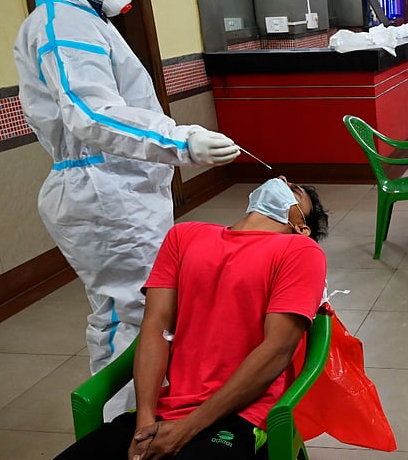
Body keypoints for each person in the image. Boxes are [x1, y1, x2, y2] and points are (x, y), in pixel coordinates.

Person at [6, 0, 242, 416]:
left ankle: (149, 411)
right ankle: (125, 426)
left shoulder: (83, 18)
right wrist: (182, 140)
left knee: (147, 310)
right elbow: (91, 114)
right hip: (103, 194)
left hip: (120, 191)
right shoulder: (63, 23)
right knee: (130, 317)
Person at [55, 176, 329, 460]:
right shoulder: (184, 235)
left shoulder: (301, 251)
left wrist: (187, 428)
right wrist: (145, 421)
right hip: (167, 409)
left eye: (293, 189)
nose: (281, 180)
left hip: (242, 415)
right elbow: (155, 328)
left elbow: (277, 352)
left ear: (301, 226)